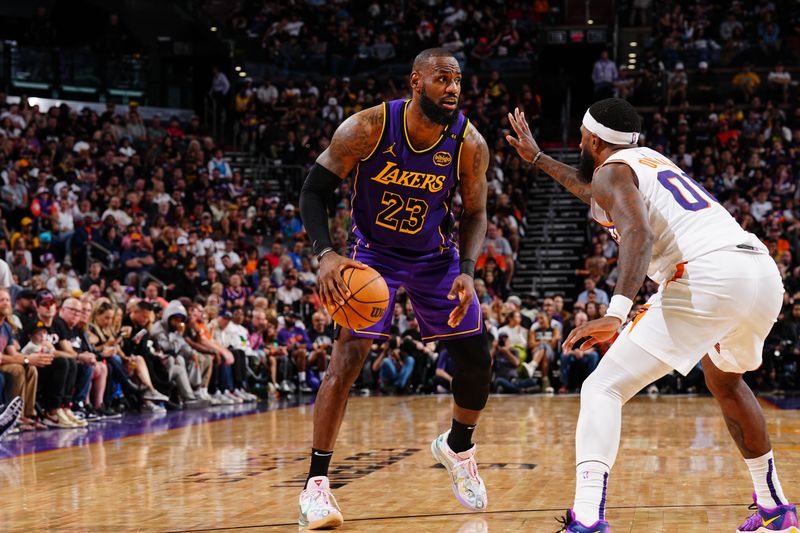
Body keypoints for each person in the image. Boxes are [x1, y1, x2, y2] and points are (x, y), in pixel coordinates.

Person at [506, 98, 797, 532]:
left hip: (708, 276)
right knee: (725, 379)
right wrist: (541, 160)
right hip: (758, 271)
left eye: (582, 142)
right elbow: (594, 193)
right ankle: (776, 509)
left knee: (602, 387)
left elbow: (636, 231)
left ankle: (586, 519)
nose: (580, 148)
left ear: (594, 141)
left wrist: (616, 312)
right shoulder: (645, 161)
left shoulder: (612, 171)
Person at [298, 48, 492, 529]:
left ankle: (458, 448)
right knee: (346, 359)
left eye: (457, 81)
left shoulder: (469, 143)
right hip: (373, 255)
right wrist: (327, 255)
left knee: (477, 359)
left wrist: (467, 269)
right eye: (442, 78)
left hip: (435, 257)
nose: (451, 88)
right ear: (415, 81)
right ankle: (316, 487)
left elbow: (476, 212)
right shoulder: (366, 128)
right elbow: (313, 191)